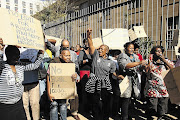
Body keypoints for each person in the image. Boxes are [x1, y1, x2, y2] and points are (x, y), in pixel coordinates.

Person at [0, 38, 44, 120]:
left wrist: (40, 54)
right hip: (4, 106)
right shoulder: (2, 66)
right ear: (8, 55)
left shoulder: (20, 66)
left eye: (18, 54)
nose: (17, 57)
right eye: (14, 54)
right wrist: (0, 48)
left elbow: (34, 66)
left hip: (18, 105)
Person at [85, 28, 123, 120]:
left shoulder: (111, 63)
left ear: (106, 51)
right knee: (96, 104)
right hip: (94, 84)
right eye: (99, 49)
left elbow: (112, 74)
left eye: (102, 49)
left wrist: (117, 76)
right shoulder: (95, 56)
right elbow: (91, 45)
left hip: (106, 85)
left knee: (106, 104)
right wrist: (89, 35)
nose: (99, 50)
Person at [46, 48, 80, 120]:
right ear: (61, 56)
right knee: (54, 105)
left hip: (63, 92)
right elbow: (48, 78)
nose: (68, 57)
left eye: (69, 55)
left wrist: (75, 76)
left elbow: (74, 77)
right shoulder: (54, 62)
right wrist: (49, 93)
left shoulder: (70, 64)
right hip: (54, 91)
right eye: (66, 56)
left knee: (63, 105)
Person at [117, 42, 147, 120]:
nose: (131, 50)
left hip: (134, 79)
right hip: (125, 78)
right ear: (126, 48)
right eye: (130, 48)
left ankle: (130, 115)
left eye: (133, 48)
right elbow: (125, 65)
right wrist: (140, 62)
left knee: (133, 98)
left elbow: (138, 67)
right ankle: (124, 117)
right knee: (125, 98)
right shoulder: (122, 56)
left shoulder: (136, 57)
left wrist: (143, 66)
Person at [144, 46, 174, 120]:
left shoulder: (166, 61)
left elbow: (172, 69)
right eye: (157, 51)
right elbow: (146, 72)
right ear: (153, 53)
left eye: (160, 51)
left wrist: (164, 60)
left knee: (163, 104)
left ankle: (161, 116)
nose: (159, 53)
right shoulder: (149, 61)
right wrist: (149, 63)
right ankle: (150, 115)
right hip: (152, 86)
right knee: (152, 104)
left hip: (163, 86)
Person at [78, 39, 92, 114]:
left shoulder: (92, 51)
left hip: (91, 72)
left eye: (88, 42)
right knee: (84, 90)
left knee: (91, 90)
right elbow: (79, 62)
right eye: (85, 42)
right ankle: (83, 109)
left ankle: (89, 107)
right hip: (83, 72)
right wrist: (87, 60)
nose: (87, 44)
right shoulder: (82, 52)